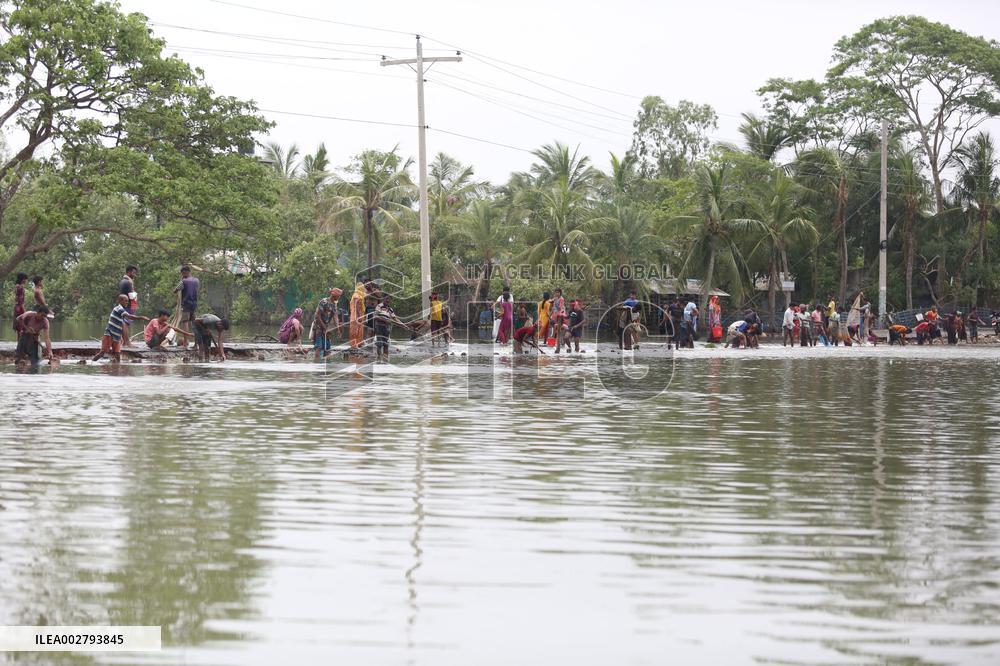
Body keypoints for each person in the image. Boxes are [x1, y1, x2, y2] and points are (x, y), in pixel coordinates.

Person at [91, 295, 149, 363]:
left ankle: (117, 369)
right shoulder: (118, 308)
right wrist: (141, 317)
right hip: (109, 334)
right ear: (120, 301)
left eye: (127, 301)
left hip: (117, 336)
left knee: (117, 354)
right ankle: (91, 363)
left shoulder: (122, 310)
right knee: (102, 352)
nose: (127, 303)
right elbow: (129, 316)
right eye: (125, 301)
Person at [172, 266, 200, 347]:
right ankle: (196, 343)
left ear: (185, 272)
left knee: (185, 322)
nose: (182, 275)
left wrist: (182, 280)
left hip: (186, 304)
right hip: (194, 303)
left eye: (183, 273)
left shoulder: (183, 281)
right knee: (194, 323)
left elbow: (175, 290)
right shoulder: (196, 280)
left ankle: (185, 342)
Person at [313, 287, 343, 360]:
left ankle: (326, 365)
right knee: (319, 347)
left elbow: (335, 316)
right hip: (319, 327)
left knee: (328, 348)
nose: (339, 297)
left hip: (326, 328)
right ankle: (317, 364)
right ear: (334, 295)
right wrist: (324, 327)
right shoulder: (324, 302)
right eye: (339, 296)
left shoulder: (334, 304)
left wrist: (338, 328)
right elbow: (317, 316)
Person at [373, 295, 404, 362]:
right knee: (379, 344)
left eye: (389, 299)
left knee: (386, 345)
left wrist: (402, 324)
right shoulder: (379, 306)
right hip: (379, 326)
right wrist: (385, 320)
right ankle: (379, 359)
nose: (388, 300)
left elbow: (395, 318)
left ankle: (385, 360)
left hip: (387, 328)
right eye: (386, 299)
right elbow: (375, 316)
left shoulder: (390, 309)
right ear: (383, 299)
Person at [118, 265, 139, 347]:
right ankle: (127, 342)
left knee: (124, 323)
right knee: (126, 324)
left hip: (124, 304)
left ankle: (124, 342)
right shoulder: (128, 282)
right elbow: (131, 296)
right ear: (128, 272)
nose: (134, 275)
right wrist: (134, 304)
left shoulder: (122, 281)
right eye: (133, 273)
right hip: (129, 305)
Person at [349, 282, 366, 349]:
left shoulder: (359, 295)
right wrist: (359, 316)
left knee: (360, 329)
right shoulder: (357, 295)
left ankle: (359, 344)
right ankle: (354, 345)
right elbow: (357, 306)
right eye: (362, 287)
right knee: (355, 330)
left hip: (358, 314)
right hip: (356, 315)